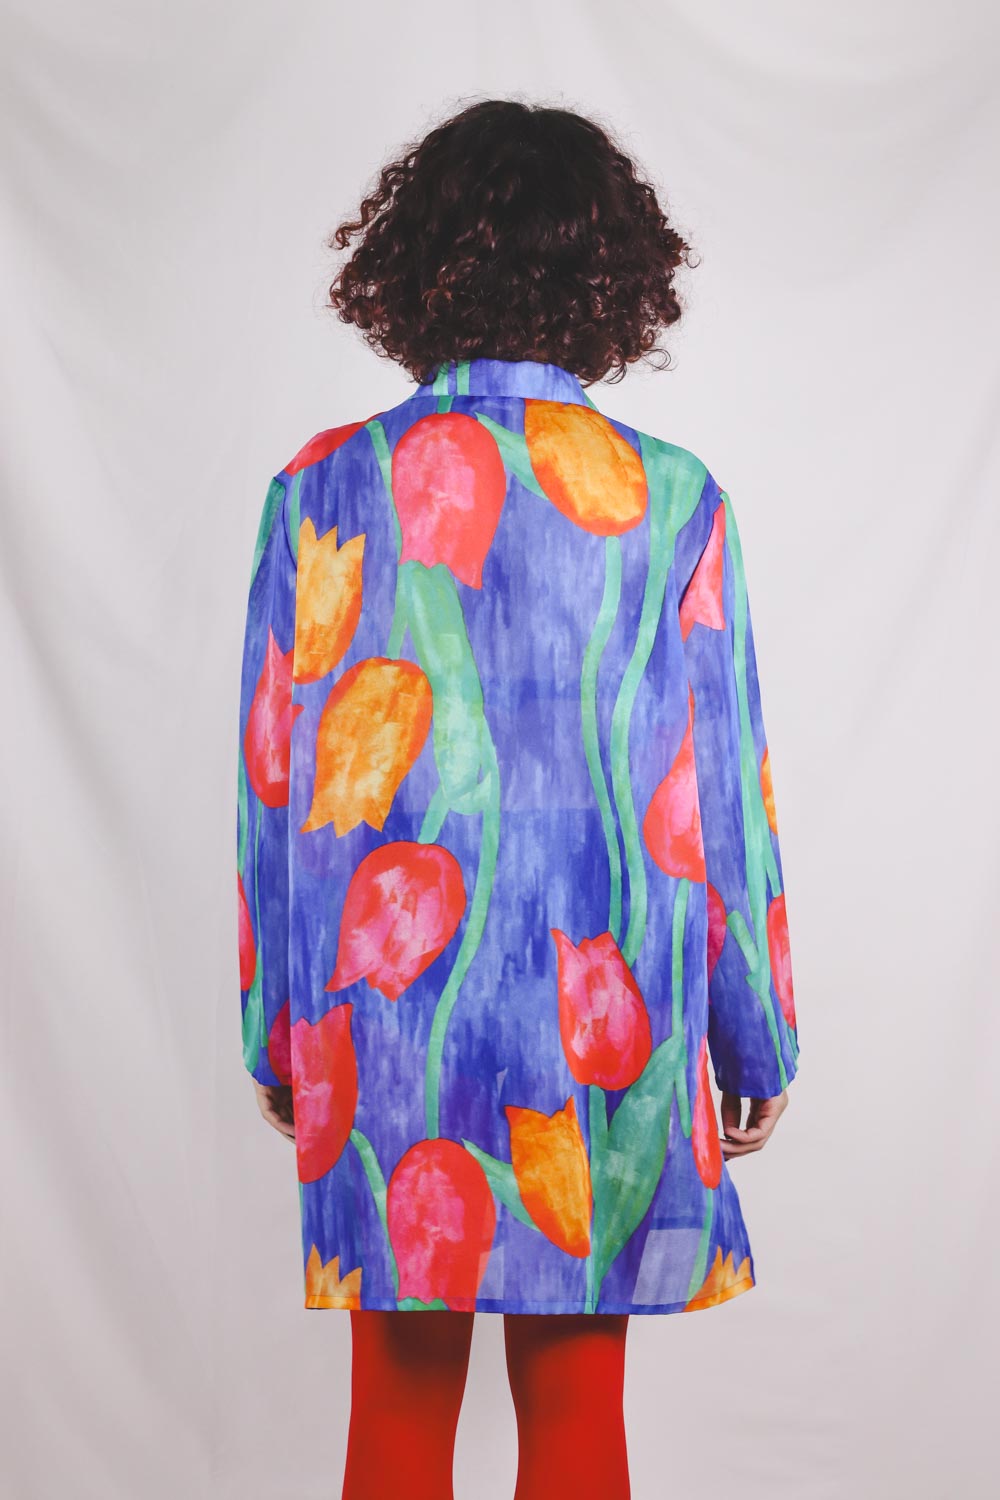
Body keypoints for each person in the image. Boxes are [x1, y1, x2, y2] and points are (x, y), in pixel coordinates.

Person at [236, 96, 800, 1500]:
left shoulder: (319, 488)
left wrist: (279, 1028)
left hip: (385, 1019)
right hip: (600, 1015)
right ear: (612, 277)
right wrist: (754, 1027)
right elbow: (720, 794)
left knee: (395, 1410)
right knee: (578, 1407)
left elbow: (273, 784)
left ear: (413, 262)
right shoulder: (674, 499)